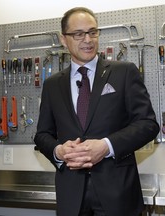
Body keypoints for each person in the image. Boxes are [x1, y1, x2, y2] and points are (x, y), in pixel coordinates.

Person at [34, 7, 159, 216]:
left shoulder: (124, 72)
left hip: (118, 195)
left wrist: (106, 146)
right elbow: (42, 135)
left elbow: (148, 124)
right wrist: (59, 151)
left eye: (93, 32)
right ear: (64, 40)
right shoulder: (52, 85)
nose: (88, 40)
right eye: (79, 34)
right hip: (71, 196)